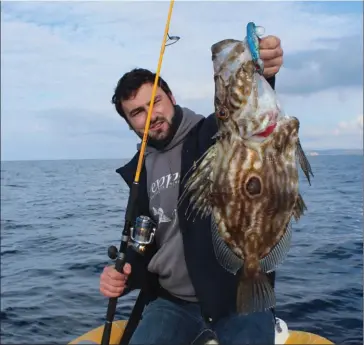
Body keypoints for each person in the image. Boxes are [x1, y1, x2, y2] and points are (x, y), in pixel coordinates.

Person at [100, 35, 284, 345]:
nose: (151, 116)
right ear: (129, 123)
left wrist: (263, 74)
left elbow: (242, 116)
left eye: (155, 101)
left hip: (237, 298)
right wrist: (124, 275)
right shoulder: (139, 170)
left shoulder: (212, 133)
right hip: (170, 303)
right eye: (137, 113)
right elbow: (143, 243)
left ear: (170, 97)